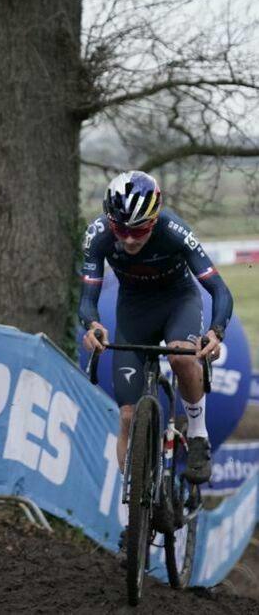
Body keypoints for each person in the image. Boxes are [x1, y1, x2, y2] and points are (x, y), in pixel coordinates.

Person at [79, 170, 233, 485]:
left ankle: (198, 433)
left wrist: (216, 331)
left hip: (179, 302)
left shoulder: (175, 231)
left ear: (155, 217)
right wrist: (92, 324)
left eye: (141, 229)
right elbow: (87, 298)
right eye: (121, 230)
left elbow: (220, 290)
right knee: (126, 417)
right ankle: (135, 514)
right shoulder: (98, 234)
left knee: (180, 357)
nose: (130, 239)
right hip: (134, 310)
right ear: (111, 222)